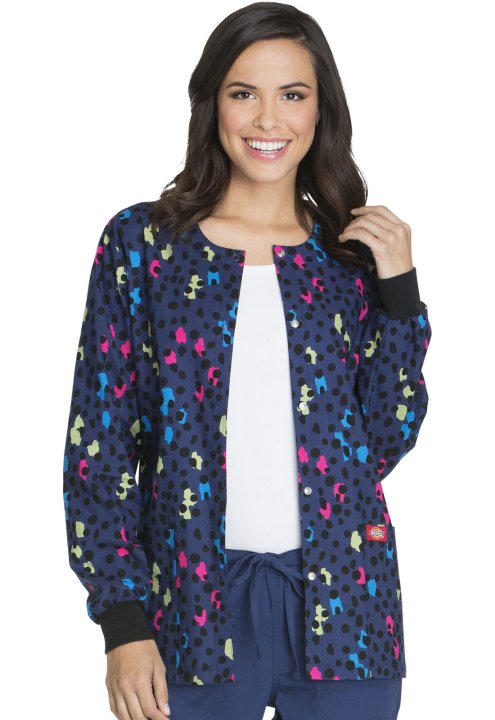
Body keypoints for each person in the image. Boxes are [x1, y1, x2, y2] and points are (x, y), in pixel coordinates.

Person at [62, 3, 432, 719]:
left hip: (347, 611)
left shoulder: (348, 256)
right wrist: (123, 622)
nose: (268, 119)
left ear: (320, 110)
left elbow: (381, 440)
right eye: (243, 93)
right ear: (212, 103)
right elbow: (99, 447)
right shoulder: (143, 245)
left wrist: (400, 296)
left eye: (292, 94)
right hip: (191, 609)